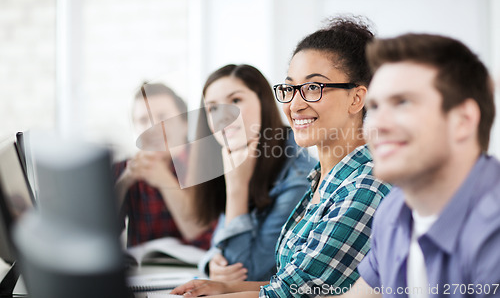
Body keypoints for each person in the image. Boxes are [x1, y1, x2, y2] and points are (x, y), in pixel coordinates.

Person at [171, 16, 392, 298]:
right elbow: (294, 284)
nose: (295, 104)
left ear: (356, 99)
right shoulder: (323, 180)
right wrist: (224, 286)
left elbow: (292, 296)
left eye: (313, 87)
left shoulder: (365, 185)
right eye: (290, 89)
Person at [337, 33, 500, 297]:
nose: (377, 125)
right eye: (375, 107)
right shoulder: (394, 210)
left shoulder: (493, 230)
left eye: (402, 102)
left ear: (463, 120)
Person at [188, 64, 315, 281]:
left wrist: (237, 188)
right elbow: (220, 245)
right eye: (213, 108)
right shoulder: (238, 157)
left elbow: (247, 272)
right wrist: (210, 263)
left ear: (263, 103)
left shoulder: (298, 174)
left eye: (236, 101)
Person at [113, 82, 213, 248]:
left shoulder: (206, 163)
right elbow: (98, 234)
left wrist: (164, 180)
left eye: (163, 117)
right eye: (143, 120)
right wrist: (124, 183)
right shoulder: (124, 170)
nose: (152, 127)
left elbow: (202, 234)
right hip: (145, 271)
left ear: (184, 123)